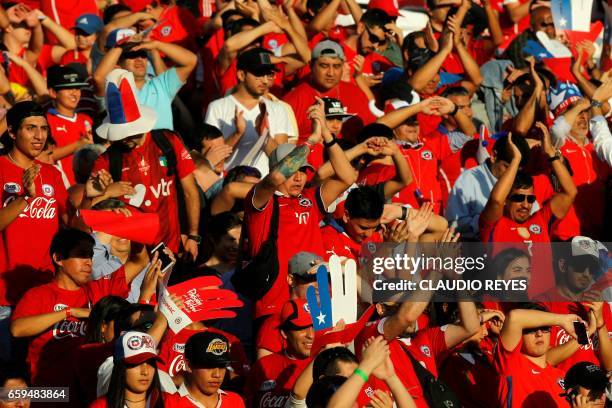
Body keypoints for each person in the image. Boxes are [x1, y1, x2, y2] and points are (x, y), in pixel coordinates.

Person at [241, 105, 355, 320]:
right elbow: (275, 179)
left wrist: (327, 136)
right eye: (293, 171)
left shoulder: (309, 199)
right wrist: (311, 140)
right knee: (274, 352)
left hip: (317, 297)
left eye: (304, 171)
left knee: (321, 351)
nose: (299, 177)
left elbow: (347, 177)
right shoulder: (261, 200)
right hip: (276, 300)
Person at [10, 228, 150, 390]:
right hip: (49, 392)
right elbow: (17, 329)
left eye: (90, 255)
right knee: (9, 395)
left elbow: (139, 261)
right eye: (81, 255)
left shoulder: (99, 289)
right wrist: (69, 312)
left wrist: (131, 224)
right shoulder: (39, 295)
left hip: (89, 390)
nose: (89, 262)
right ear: (58, 259)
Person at [92, 69, 200, 258]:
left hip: (173, 247)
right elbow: (90, 209)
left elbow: (190, 190)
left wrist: (193, 235)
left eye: (130, 133)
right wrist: (107, 192)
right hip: (131, 257)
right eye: (120, 134)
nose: (125, 139)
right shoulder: (106, 160)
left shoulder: (168, 142)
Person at [479, 127, 576, 293]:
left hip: (542, 309)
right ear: (506, 201)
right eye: (518, 198)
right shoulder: (493, 224)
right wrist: (516, 160)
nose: (525, 204)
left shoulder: (541, 220)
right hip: (507, 307)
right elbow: (495, 199)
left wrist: (550, 153)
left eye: (530, 199)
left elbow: (570, 192)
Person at [205, 47, 292, 175]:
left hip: (264, 188)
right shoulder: (217, 107)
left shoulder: (278, 109)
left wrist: (263, 134)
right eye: (258, 74)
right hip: (229, 185)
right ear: (241, 75)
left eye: (268, 74)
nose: (265, 80)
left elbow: (281, 162)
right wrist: (238, 134)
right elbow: (212, 160)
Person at [93, 31, 197, 131]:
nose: (139, 59)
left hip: (163, 148)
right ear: (118, 63)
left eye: (143, 54)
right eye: (131, 55)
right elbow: (98, 78)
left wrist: (156, 44)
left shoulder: (161, 84)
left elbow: (191, 61)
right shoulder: (113, 88)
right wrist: (120, 46)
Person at [283, 40, 376, 141]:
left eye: (336, 66)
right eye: (324, 66)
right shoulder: (293, 100)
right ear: (311, 65)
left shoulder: (355, 92)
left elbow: (370, 132)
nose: (331, 73)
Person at [495, 304, 586, 407]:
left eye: (544, 328)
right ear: (519, 333)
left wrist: (589, 328)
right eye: (530, 329)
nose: (539, 333)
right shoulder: (511, 364)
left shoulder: (561, 376)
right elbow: (514, 317)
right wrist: (562, 320)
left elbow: (582, 338)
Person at [446, 133, 531, 239]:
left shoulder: (520, 180)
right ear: (494, 156)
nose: (511, 175)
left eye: (516, 170)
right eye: (508, 167)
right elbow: (452, 225)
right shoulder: (469, 179)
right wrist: (487, 217)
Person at [246, 298, 314, 407]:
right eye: (302, 328)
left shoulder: (326, 365)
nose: (311, 335)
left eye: (314, 327)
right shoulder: (263, 366)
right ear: (284, 333)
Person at [163, 331, 246, 407]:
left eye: (222, 366)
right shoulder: (168, 403)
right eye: (209, 366)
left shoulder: (235, 402)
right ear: (189, 366)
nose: (217, 374)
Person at [89, 331, 165, 408]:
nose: (145, 372)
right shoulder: (100, 406)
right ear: (120, 367)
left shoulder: (172, 402)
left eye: (150, 363)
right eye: (137, 363)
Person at [45, 64, 92, 186]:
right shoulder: (46, 121)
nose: (74, 93)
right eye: (68, 88)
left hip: (91, 186)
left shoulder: (87, 120)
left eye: (77, 88)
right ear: (53, 92)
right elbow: (43, 156)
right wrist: (79, 144)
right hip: (65, 188)